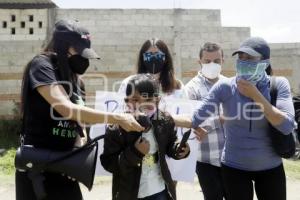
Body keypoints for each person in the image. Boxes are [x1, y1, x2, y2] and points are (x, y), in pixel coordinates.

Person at [16, 20, 143, 200]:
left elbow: (79, 123)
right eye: (79, 52)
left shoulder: (77, 82)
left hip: (67, 166)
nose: (84, 60)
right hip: (37, 166)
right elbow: (66, 108)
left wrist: (79, 150)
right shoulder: (42, 65)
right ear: (62, 46)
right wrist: (119, 118)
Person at [173, 37, 295, 200]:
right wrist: (164, 116)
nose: (243, 62)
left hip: (270, 167)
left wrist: (255, 95)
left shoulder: (278, 84)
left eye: (250, 58)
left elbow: (286, 126)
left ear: (264, 62)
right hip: (234, 168)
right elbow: (195, 118)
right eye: (241, 58)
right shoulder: (224, 87)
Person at [100, 74, 190, 200]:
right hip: (130, 194)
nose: (131, 104)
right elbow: (109, 163)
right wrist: (135, 153)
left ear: (156, 100)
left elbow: (170, 145)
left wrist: (179, 149)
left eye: (136, 99)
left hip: (160, 190)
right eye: (128, 100)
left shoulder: (165, 121)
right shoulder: (116, 128)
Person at [184, 42, 227, 200]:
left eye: (216, 61)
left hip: (230, 157)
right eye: (207, 61)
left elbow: (237, 115)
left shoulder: (230, 84)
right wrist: (221, 119)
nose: (212, 65)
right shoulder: (191, 89)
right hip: (205, 159)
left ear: (223, 61)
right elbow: (193, 122)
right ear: (199, 62)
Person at [118, 38, 186, 99]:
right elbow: (120, 108)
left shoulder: (177, 86)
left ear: (166, 58)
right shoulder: (128, 83)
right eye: (149, 55)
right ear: (142, 58)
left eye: (158, 55)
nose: (153, 58)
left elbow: (185, 109)